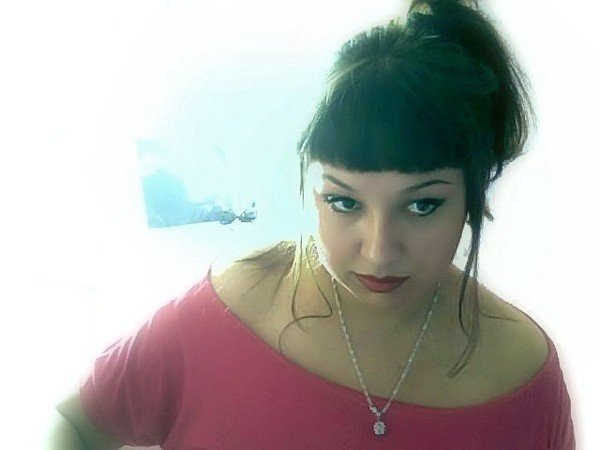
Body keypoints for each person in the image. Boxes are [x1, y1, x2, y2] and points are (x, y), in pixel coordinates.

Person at [47, 0, 576, 448]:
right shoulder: (226, 311)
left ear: (472, 197)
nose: (379, 250)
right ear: (308, 187)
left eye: (422, 206)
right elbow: (76, 423)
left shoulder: (522, 375)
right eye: (344, 202)